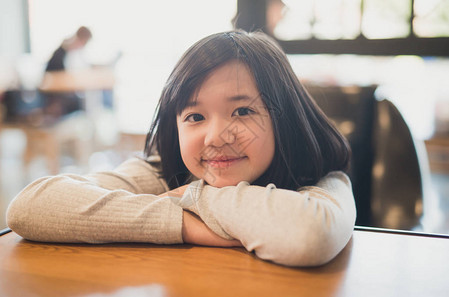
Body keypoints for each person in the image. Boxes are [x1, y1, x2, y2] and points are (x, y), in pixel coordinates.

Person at [6, 30, 356, 267]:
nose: (215, 136)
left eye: (242, 111)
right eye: (195, 116)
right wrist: (183, 224)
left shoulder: (320, 176)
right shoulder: (164, 169)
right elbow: (30, 207)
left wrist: (194, 196)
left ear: (285, 118)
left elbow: (310, 235)